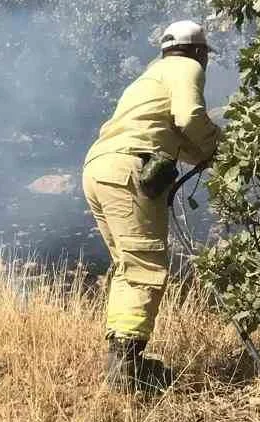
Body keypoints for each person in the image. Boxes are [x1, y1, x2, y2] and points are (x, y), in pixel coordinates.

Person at [82, 19, 221, 393]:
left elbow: (174, 134)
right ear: (197, 51)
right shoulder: (187, 67)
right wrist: (218, 145)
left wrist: (204, 153)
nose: (204, 62)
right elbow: (190, 118)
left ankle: (123, 362)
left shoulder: (149, 77)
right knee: (145, 268)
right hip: (129, 168)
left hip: (99, 167)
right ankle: (126, 370)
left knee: (128, 266)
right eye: (204, 55)